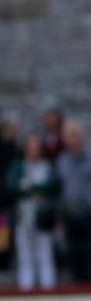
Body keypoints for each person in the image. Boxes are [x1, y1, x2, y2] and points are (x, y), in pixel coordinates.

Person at [9, 133, 60, 291]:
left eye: (36, 148)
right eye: (30, 148)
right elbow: (12, 187)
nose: (33, 151)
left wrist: (32, 188)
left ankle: (48, 287)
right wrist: (34, 189)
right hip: (24, 215)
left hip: (43, 216)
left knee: (45, 252)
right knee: (25, 253)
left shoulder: (47, 166)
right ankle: (26, 288)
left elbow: (54, 186)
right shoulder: (19, 166)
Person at [57, 121, 91, 282]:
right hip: (70, 215)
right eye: (70, 136)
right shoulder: (61, 161)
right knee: (73, 256)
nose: (73, 139)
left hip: (88, 214)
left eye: (76, 135)